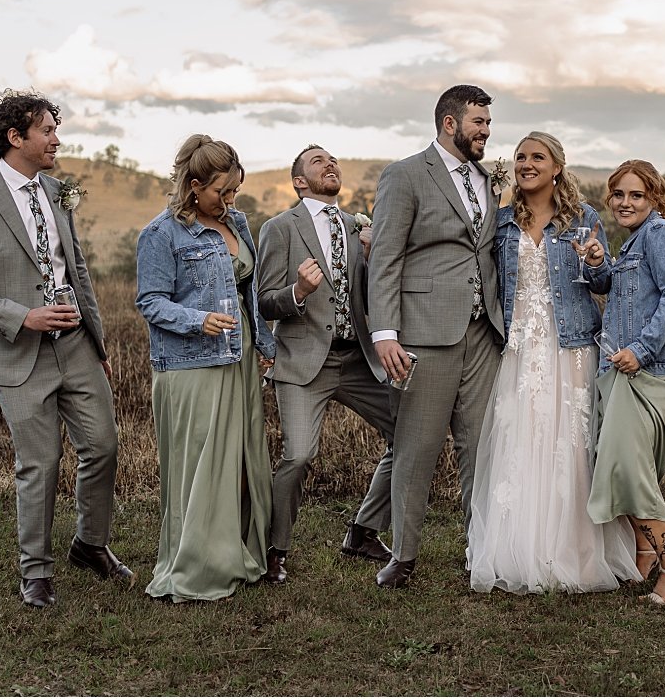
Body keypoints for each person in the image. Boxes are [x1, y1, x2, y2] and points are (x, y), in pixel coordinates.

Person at [0, 89, 131, 609]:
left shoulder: (58, 192)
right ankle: (37, 572)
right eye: (47, 130)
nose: (56, 139)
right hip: (17, 355)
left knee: (104, 444)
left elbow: (78, 269)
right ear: (15, 137)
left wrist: (98, 341)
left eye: (54, 129)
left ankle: (91, 545)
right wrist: (22, 316)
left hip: (76, 347)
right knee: (40, 463)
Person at [468, 132, 641, 594]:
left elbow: (602, 283)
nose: (527, 164)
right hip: (520, 350)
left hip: (572, 346)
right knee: (520, 441)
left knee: (573, 447)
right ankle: (517, 549)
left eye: (537, 157)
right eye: (521, 157)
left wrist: (600, 259)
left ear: (556, 167)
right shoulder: (501, 222)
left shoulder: (582, 219)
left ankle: (577, 550)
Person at [368, 84, 506, 589]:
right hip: (423, 336)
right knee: (416, 447)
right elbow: (384, 257)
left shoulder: (489, 180)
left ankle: (480, 549)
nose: (486, 131)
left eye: (488, 123)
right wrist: (385, 332)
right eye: (479, 123)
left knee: (481, 448)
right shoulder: (405, 176)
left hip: (484, 334)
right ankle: (403, 556)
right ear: (450, 123)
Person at [135, 135, 277, 603]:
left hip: (239, 356)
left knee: (240, 457)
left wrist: (265, 342)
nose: (231, 201)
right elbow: (150, 302)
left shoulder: (237, 221)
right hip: (192, 362)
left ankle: (239, 552)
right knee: (201, 464)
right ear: (194, 186)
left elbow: (249, 289)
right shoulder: (161, 234)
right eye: (222, 192)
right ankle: (196, 565)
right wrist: (198, 321)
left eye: (235, 190)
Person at [257, 145, 396, 584]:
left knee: (411, 436)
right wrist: (297, 291)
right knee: (298, 456)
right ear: (299, 181)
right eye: (318, 162)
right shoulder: (280, 229)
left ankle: (363, 531)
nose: (330, 164)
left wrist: (375, 256)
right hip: (303, 362)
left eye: (333, 159)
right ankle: (274, 550)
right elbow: (263, 302)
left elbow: (377, 292)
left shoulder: (359, 227)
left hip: (357, 359)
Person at [587, 160, 665, 606]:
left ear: (656, 198)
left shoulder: (661, 234)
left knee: (627, 465)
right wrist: (601, 264)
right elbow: (623, 292)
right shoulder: (636, 240)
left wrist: (641, 348)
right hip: (630, 369)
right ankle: (645, 554)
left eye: (636, 195)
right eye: (618, 194)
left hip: (655, 369)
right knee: (628, 461)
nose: (625, 202)